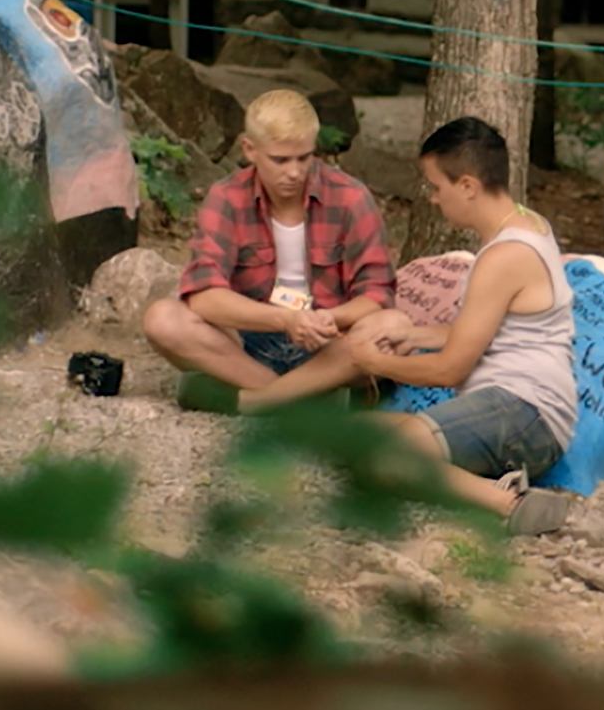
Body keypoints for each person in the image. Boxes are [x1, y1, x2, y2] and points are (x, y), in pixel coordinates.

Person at [347, 117, 577, 535]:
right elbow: (484, 331)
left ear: (468, 185)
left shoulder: (503, 257)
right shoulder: (526, 221)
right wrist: (411, 336)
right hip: (516, 410)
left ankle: (509, 503)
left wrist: (372, 361)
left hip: (521, 410)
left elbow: (449, 369)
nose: (433, 199)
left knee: (379, 459)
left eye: (436, 187)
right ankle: (485, 483)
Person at [142, 89, 394, 412]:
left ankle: (252, 401)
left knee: (392, 326)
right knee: (162, 319)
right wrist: (286, 320)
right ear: (250, 149)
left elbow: (378, 296)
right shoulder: (227, 197)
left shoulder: (351, 198)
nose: (294, 172)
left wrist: (325, 318)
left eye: (304, 157)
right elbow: (203, 295)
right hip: (252, 338)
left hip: (328, 341)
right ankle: (307, 402)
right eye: (280, 160)